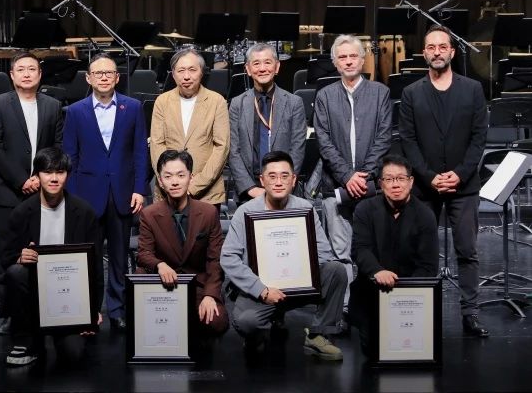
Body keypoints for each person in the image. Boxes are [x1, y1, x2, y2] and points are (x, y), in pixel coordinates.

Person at [398, 24, 489, 337]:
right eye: (431, 47)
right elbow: (408, 140)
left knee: (467, 251)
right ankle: (422, 313)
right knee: (422, 252)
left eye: (442, 47)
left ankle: (470, 314)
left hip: (464, 186)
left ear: (451, 51)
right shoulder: (411, 93)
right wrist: (429, 176)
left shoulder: (473, 89)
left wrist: (459, 174)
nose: (437, 52)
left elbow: (478, 138)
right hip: (426, 187)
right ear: (424, 53)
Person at [221, 151, 346, 360]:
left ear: (293, 179)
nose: (278, 182)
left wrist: (300, 271)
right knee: (246, 322)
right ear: (262, 180)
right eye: (272, 176)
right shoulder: (245, 212)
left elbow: (324, 252)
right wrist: (261, 290)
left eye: (284, 176)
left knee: (336, 270)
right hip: (262, 289)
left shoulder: (305, 208)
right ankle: (257, 335)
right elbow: (229, 258)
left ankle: (319, 335)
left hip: (298, 285)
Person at [62, 54, 148, 332]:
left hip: (123, 193)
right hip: (86, 196)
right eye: (97, 73)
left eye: (108, 73)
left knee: (120, 258)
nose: (103, 77)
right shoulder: (75, 111)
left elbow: (140, 151)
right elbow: (70, 157)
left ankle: (117, 310)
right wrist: (72, 197)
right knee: (90, 257)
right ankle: (90, 310)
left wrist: (139, 189)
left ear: (117, 78)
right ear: (88, 78)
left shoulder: (132, 107)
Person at [0, 147, 103, 366]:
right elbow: (6, 257)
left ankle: (59, 333)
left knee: (73, 354)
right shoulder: (22, 213)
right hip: (33, 291)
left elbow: (95, 267)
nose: (54, 178)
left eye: (60, 172)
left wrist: (92, 312)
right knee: (16, 272)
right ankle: (27, 340)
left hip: (68, 296)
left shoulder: (84, 213)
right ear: (37, 176)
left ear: (67, 175)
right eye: (47, 172)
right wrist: (20, 256)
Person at [0, 51, 64, 334]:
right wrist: (21, 181)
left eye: (32, 69)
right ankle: (8, 314)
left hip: (42, 192)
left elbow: (56, 147)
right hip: (7, 192)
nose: (27, 74)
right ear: (12, 75)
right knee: (8, 255)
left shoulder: (53, 105)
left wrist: (40, 178)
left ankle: (46, 310)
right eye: (21, 69)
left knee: (43, 252)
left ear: (40, 75)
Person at [313, 34, 391, 310]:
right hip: (335, 186)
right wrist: (347, 176)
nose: (348, 61)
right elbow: (323, 141)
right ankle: (344, 308)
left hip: (371, 187)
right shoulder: (324, 96)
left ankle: (371, 307)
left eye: (353, 56)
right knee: (340, 251)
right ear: (335, 62)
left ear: (362, 59)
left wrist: (364, 175)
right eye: (342, 57)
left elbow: (384, 137)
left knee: (373, 249)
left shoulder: (380, 93)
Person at [349, 154, 439, 353]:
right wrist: (377, 271)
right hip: (373, 288)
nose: (395, 184)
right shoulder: (365, 209)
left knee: (411, 350)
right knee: (373, 349)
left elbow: (428, 265)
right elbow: (360, 249)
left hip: (411, 294)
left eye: (401, 178)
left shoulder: (425, 215)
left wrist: (404, 296)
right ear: (380, 184)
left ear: (411, 181)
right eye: (389, 179)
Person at [137, 150, 229, 336]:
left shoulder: (208, 213)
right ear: (160, 180)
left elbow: (215, 260)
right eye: (168, 176)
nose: (175, 182)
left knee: (217, 322)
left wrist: (210, 295)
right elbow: (143, 253)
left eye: (181, 175)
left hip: (197, 285)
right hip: (163, 286)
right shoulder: (149, 214)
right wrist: (160, 265)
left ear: (191, 177)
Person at [150, 48, 230, 206]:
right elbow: (157, 143)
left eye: (192, 70)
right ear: (173, 74)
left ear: (202, 72)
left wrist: (196, 184)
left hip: (207, 193)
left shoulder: (217, 101)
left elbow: (222, 146)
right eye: (181, 71)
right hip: (168, 191)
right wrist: (168, 179)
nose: (186, 76)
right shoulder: (162, 101)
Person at [228, 43, 307, 202]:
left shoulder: (294, 103)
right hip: (249, 189)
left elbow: (297, 147)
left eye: (268, 62)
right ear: (248, 69)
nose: (262, 68)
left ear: (277, 67)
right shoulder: (237, 104)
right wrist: (250, 188)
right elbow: (233, 150)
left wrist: (283, 182)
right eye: (256, 63)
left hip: (284, 188)